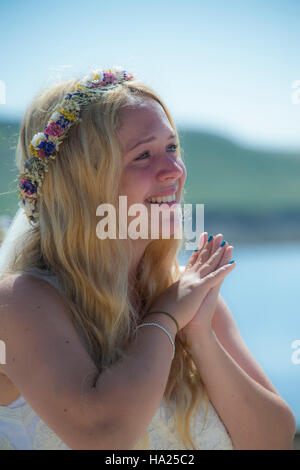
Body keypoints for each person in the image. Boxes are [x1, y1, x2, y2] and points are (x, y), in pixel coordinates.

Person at [0, 67, 296, 450]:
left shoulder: (187, 293)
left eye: (172, 148)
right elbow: (104, 437)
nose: (173, 171)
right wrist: (165, 319)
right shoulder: (20, 301)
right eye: (143, 155)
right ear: (82, 183)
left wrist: (200, 334)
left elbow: (273, 439)